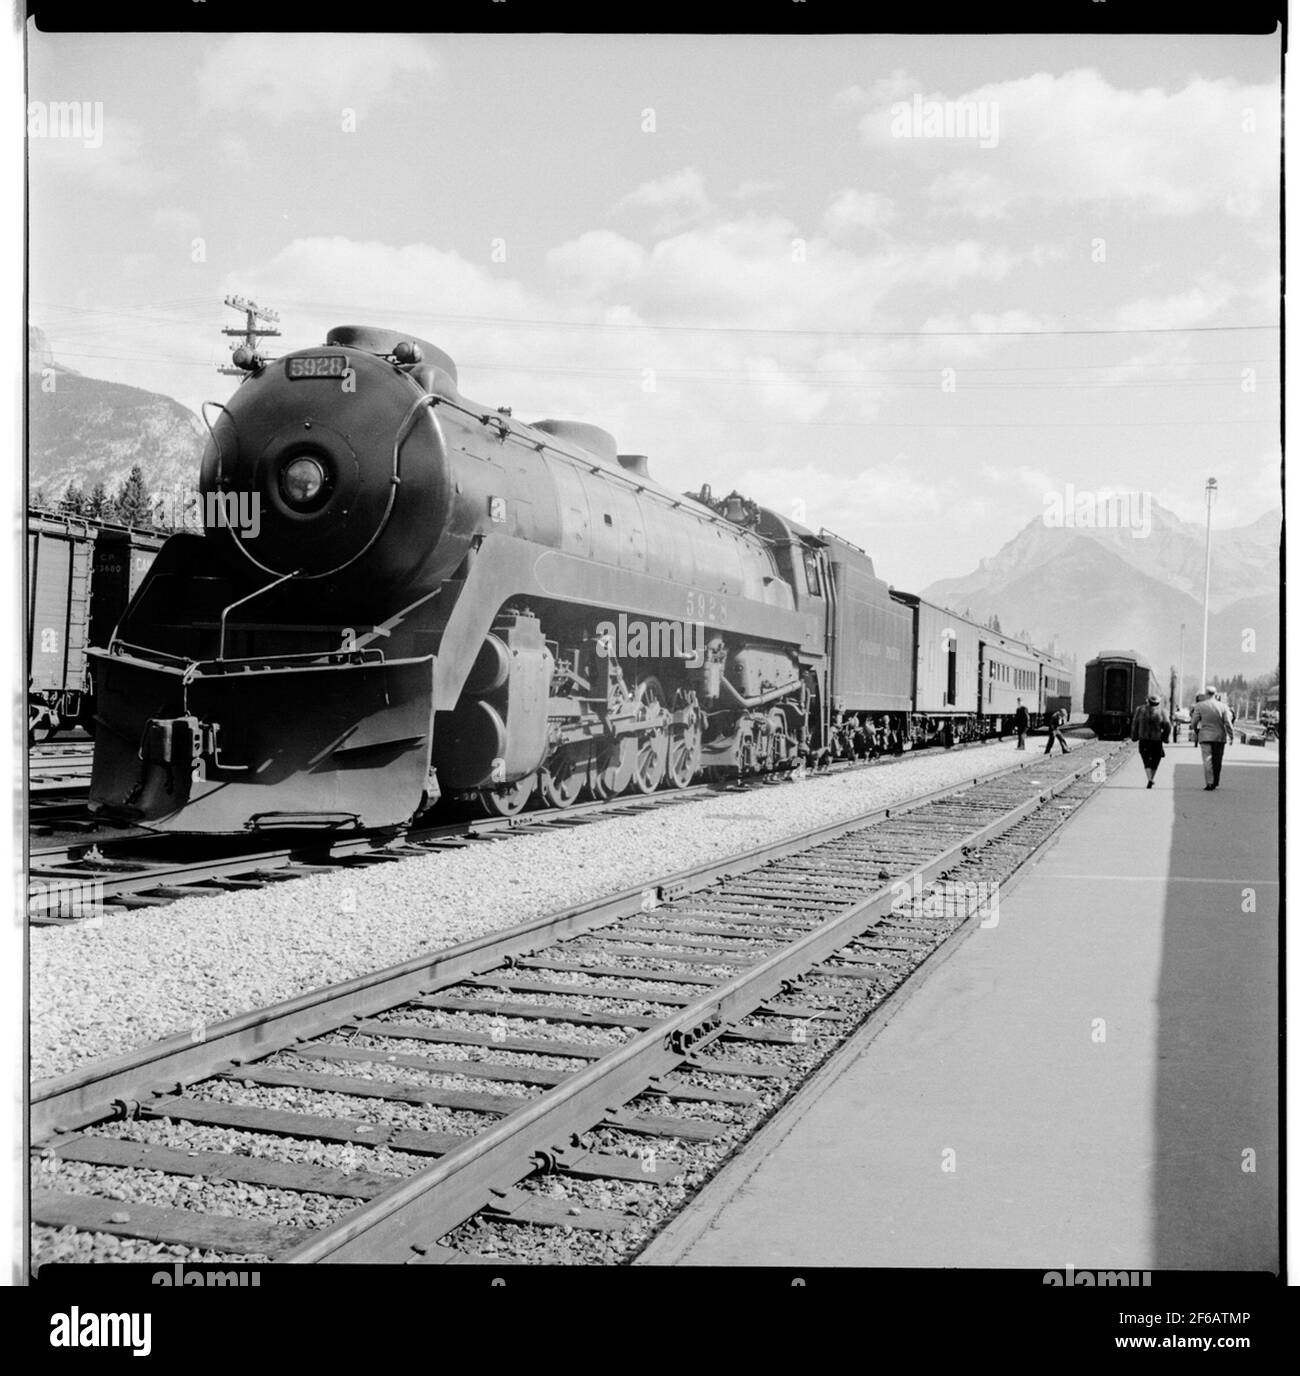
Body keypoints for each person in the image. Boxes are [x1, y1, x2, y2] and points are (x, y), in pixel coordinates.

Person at [1189, 686, 1232, 790]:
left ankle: (1209, 783)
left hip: (1205, 736)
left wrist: (1195, 730)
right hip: (1219, 737)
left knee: (1207, 760)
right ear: (1215, 694)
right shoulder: (1223, 706)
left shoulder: (1199, 706)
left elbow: (1194, 722)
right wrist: (1231, 735)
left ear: (1206, 694)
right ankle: (1216, 781)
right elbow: (1228, 722)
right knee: (1218, 760)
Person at [1130, 693, 1171, 788]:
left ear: (1148, 701)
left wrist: (1134, 736)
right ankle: (1151, 778)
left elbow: (1135, 724)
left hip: (1143, 739)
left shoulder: (1140, 710)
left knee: (1146, 759)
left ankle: (1149, 779)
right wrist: (1165, 737)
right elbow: (1167, 725)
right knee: (1156, 759)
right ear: (1158, 702)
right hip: (1156, 739)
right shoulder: (1162, 711)